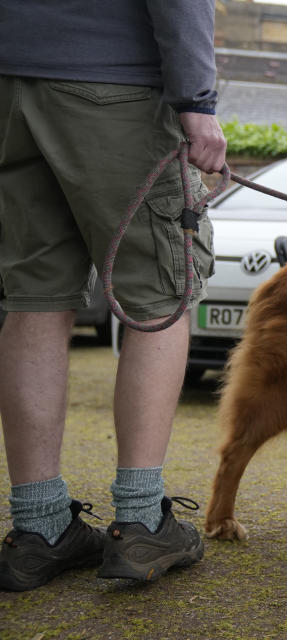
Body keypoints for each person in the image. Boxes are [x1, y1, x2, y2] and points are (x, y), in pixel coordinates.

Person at [0, 2, 227, 591]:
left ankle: (39, 528)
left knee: (33, 295)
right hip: (111, 85)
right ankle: (142, 519)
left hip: (10, 87)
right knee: (162, 290)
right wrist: (197, 103)